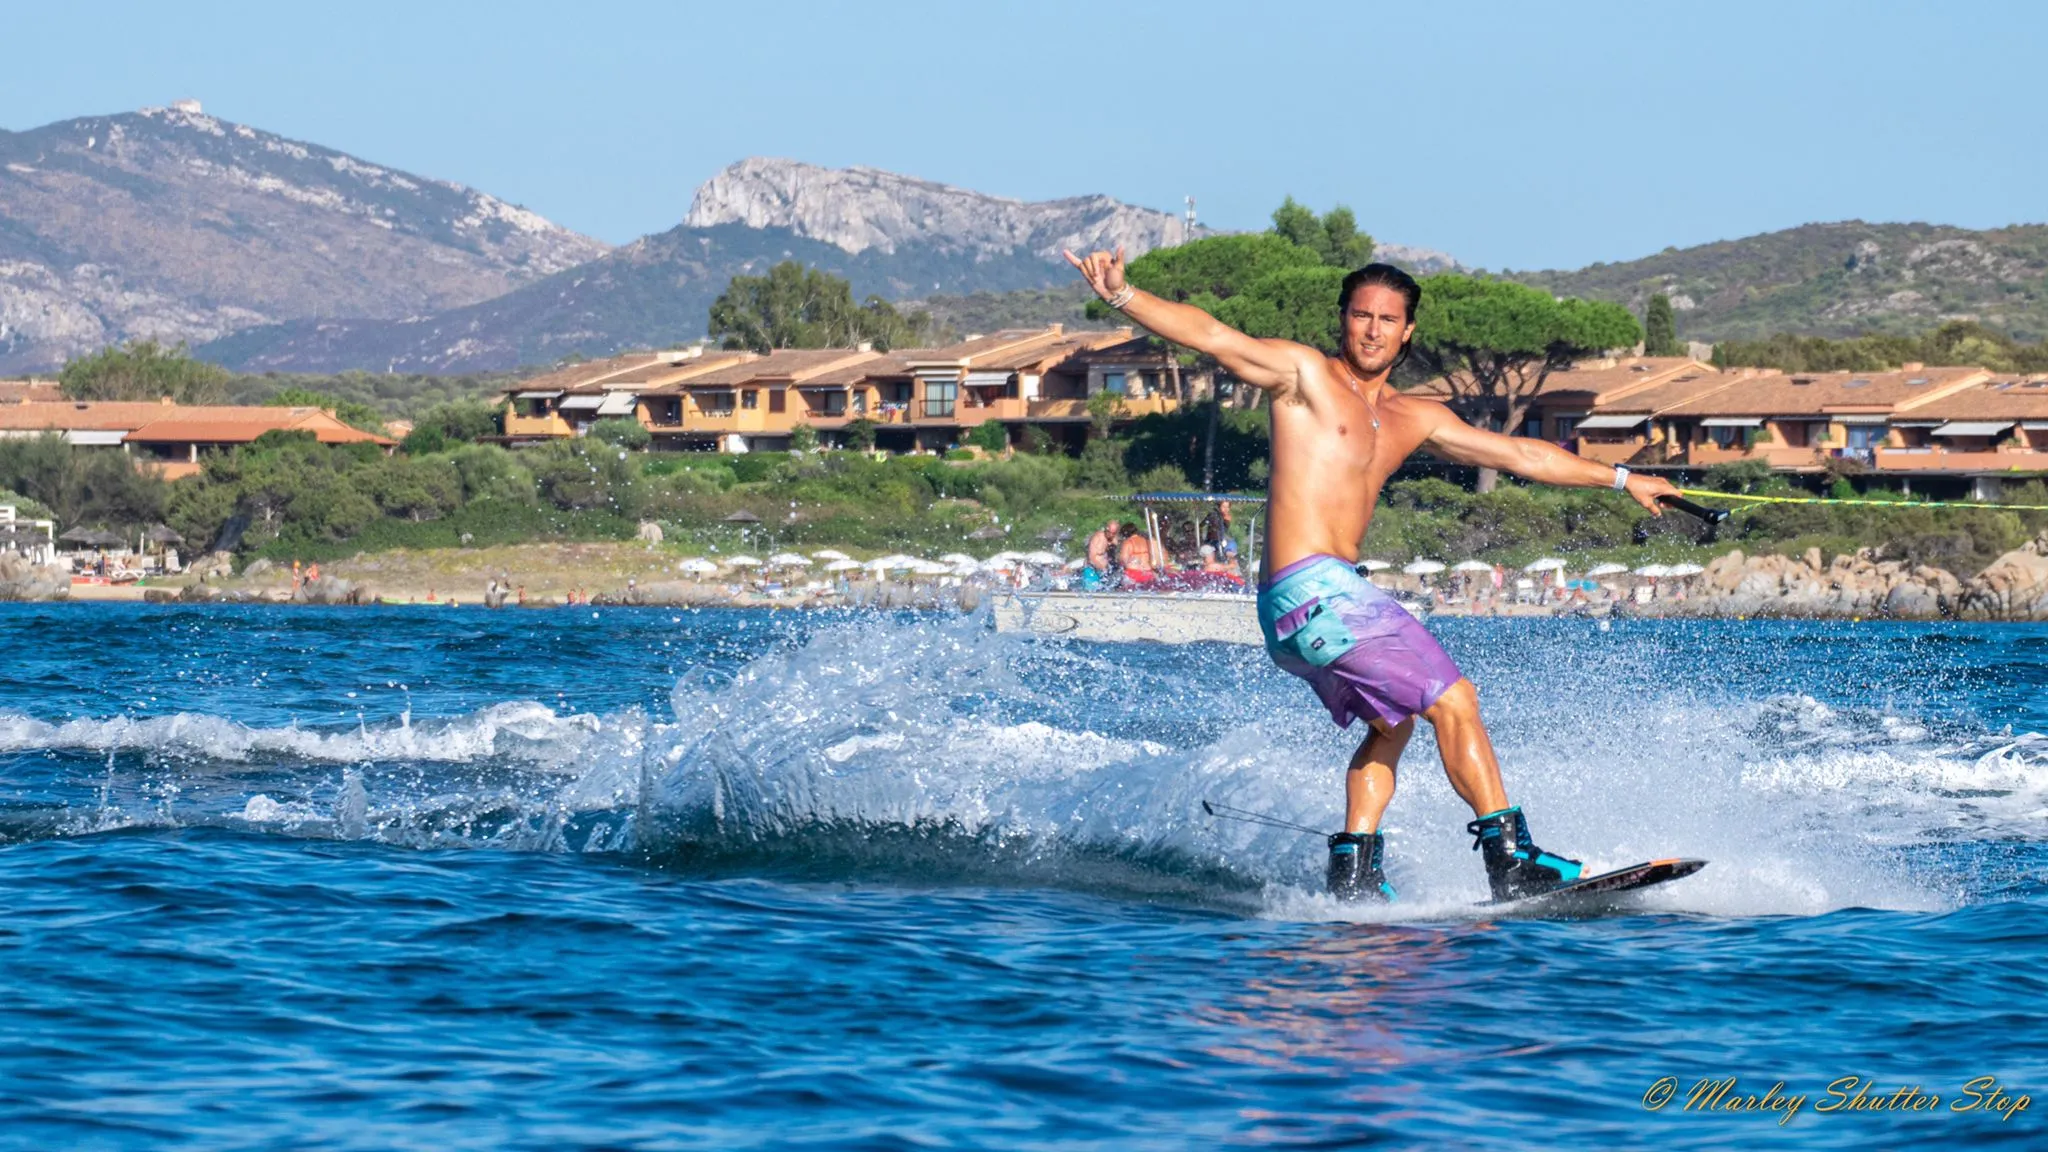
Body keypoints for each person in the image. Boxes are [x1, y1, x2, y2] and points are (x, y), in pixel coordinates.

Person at [1066, 248, 1681, 903]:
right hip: (1314, 590)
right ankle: (1513, 861)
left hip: (1301, 609)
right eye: (1362, 315)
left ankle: (1353, 873)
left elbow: (1522, 453)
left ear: (1408, 330)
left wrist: (1622, 478)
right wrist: (1123, 295)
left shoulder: (1415, 417)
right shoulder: (1303, 376)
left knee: (1395, 723)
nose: (1373, 329)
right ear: (1343, 319)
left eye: (1388, 319)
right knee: (1456, 701)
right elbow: (1216, 336)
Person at [1082, 518, 1123, 589]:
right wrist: (1102, 568)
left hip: (1105, 573)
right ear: (1106, 529)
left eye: (1113, 533)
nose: (1110, 535)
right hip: (1092, 571)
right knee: (1092, 595)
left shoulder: (1114, 540)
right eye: (1109, 532)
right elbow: (1091, 557)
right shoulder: (1098, 537)